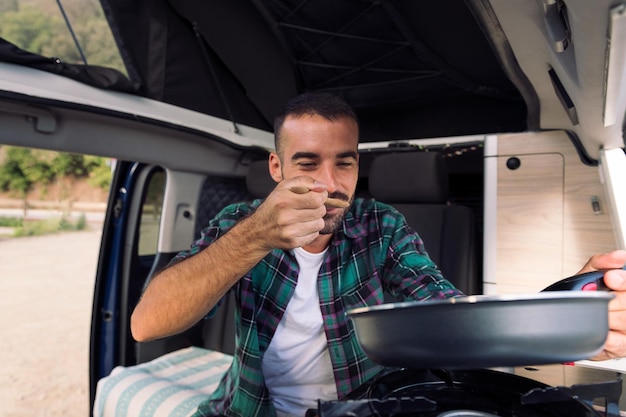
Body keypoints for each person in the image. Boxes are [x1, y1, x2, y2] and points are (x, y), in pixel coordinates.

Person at [131, 91, 626, 417]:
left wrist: (571, 314)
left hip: (361, 408)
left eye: (343, 164)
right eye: (307, 164)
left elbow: (449, 321)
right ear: (277, 167)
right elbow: (147, 324)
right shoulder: (237, 225)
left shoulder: (381, 227)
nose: (328, 185)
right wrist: (256, 235)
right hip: (248, 406)